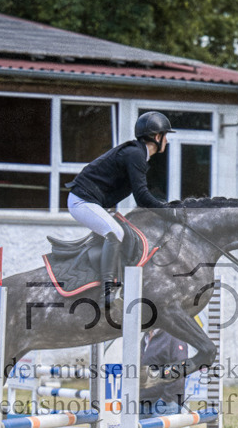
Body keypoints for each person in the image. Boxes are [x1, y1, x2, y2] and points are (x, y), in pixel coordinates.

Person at [66, 111, 175, 307]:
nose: (167, 141)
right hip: (81, 201)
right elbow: (141, 197)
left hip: (92, 201)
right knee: (115, 232)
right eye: (165, 136)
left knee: (124, 230)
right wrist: (168, 211)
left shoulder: (138, 154)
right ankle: (107, 289)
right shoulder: (135, 155)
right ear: (157, 137)